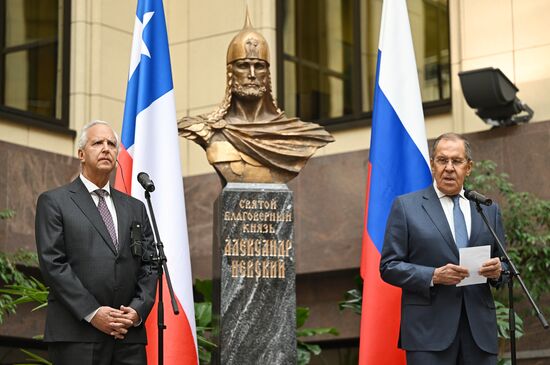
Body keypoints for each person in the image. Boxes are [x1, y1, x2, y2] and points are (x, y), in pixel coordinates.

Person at [35, 120, 157, 365]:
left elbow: (151, 263)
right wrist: (93, 313)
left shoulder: (135, 207)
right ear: (81, 154)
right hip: (77, 335)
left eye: (112, 144)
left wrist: (136, 311)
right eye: (97, 143)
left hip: (127, 337)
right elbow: (53, 264)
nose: (106, 149)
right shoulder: (55, 202)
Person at [380, 132, 505, 365]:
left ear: (468, 167)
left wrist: (499, 271)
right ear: (432, 165)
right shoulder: (407, 207)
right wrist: (434, 275)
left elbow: (505, 264)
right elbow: (389, 266)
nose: (449, 168)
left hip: (479, 334)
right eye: (442, 160)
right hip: (428, 335)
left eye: (456, 161)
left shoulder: (487, 209)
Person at [178, 13, 334, 185]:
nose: (252, 74)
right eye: (243, 66)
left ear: (267, 75)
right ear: (231, 73)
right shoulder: (205, 129)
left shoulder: (301, 134)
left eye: (259, 66)